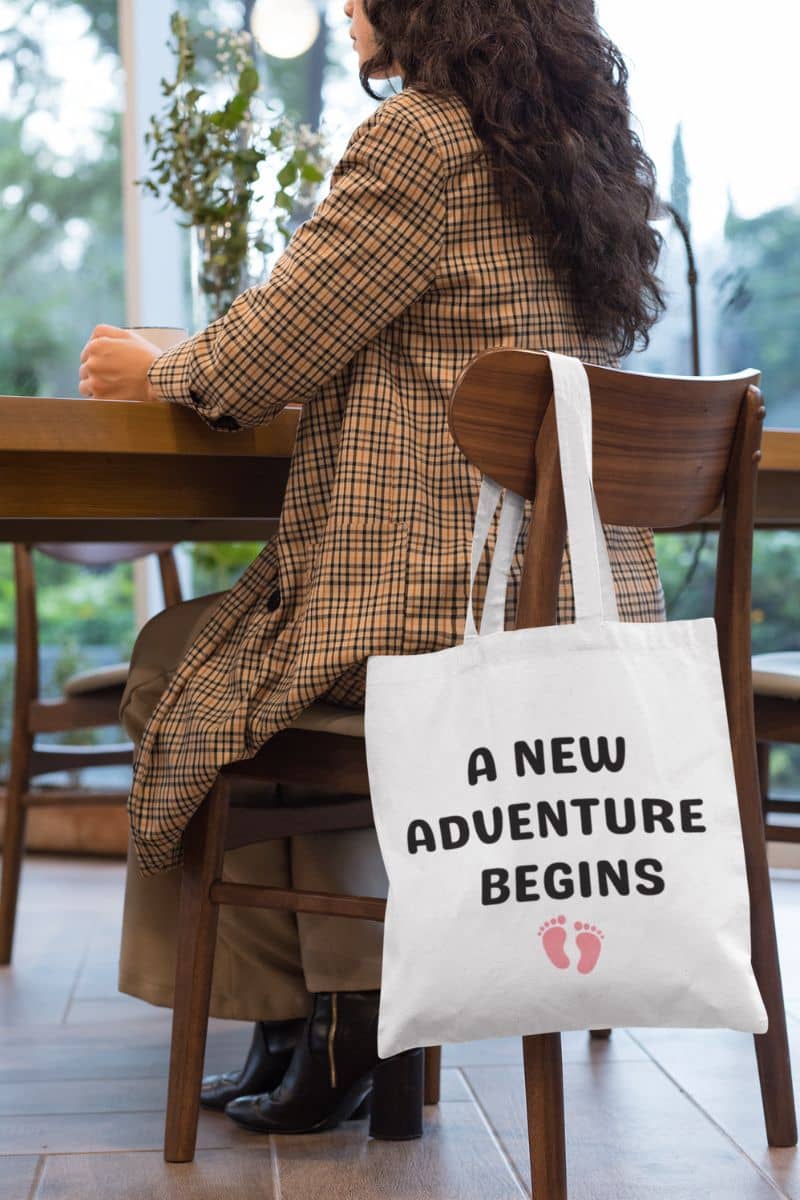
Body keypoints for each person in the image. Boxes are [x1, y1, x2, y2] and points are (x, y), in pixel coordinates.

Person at [80, 0, 665, 1137]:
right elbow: (398, 340)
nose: (345, 4)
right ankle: (327, 1022)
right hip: (559, 608)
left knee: (182, 659)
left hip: (433, 600)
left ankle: (310, 1011)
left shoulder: (419, 137)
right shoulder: (569, 158)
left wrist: (158, 367)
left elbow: (263, 357)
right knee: (260, 658)